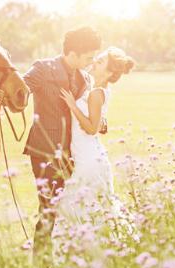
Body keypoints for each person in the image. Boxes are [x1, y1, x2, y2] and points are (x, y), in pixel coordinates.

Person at [22, 27, 105, 264]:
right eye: (88, 57)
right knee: (48, 207)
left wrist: (101, 120)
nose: (91, 63)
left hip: (77, 152)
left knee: (70, 207)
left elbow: (87, 111)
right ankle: (41, 263)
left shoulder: (85, 78)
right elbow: (19, 89)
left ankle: (68, 258)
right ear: (73, 53)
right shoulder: (42, 68)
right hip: (44, 149)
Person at [56, 47, 135, 233]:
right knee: (90, 210)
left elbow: (91, 129)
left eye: (99, 62)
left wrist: (72, 106)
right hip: (91, 155)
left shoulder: (96, 93)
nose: (93, 62)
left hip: (89, 160)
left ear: (108, 73)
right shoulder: (98, 89)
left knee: (74, 208)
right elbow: (100, 123)